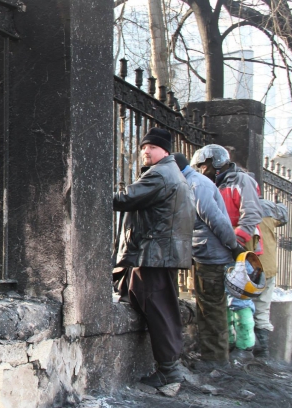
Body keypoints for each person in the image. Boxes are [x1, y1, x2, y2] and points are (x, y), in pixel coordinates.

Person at [114, 128, 195, 387]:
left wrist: (89, 193)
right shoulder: (173, 173)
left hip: (154, 254)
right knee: (157, 305)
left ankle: (169, 373)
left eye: (152, 147)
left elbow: (125, 199)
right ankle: (170, 369)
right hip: (160, 253)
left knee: (160, 311)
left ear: (166, 151)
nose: (145, 151)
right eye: (143, 147)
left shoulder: (160, 174)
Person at [173, 153, 243, 370]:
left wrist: (233, 246)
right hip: (207, 254)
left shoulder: (196, 184)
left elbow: (216, 219)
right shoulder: (193, 182)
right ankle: (214, 358)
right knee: (209, 306)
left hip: (211, 257)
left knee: (211, 308)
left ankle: (215, 361)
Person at [190, 145, 264, 255]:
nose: (202, 172)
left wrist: (236, 242)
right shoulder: (210, 185)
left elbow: (251, 214)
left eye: (204, 167)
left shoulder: (242, 180)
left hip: (242, 244)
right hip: (220, 243)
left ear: (217, 163)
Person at [253, 197, 288, 358]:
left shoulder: (233, 201)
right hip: (267, 267)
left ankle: (245, 348)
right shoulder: (267, 206)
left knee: (241, 307)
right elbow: (284, 216)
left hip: (247, 265)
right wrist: (279, 203)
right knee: (262, 309)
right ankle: (263, 352)